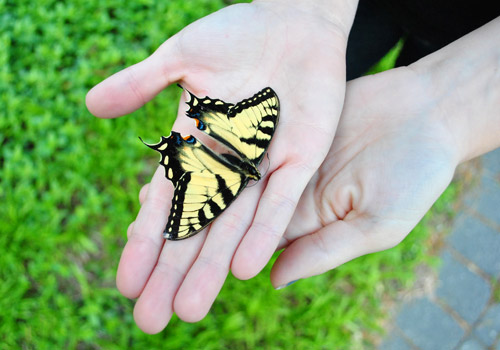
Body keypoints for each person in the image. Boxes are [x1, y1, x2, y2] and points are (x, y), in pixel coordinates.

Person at [86, 0, 500, 334]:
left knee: (331, 95)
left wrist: (454, 105)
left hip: (472, 39)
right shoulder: (239, 176)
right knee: (327, 79)